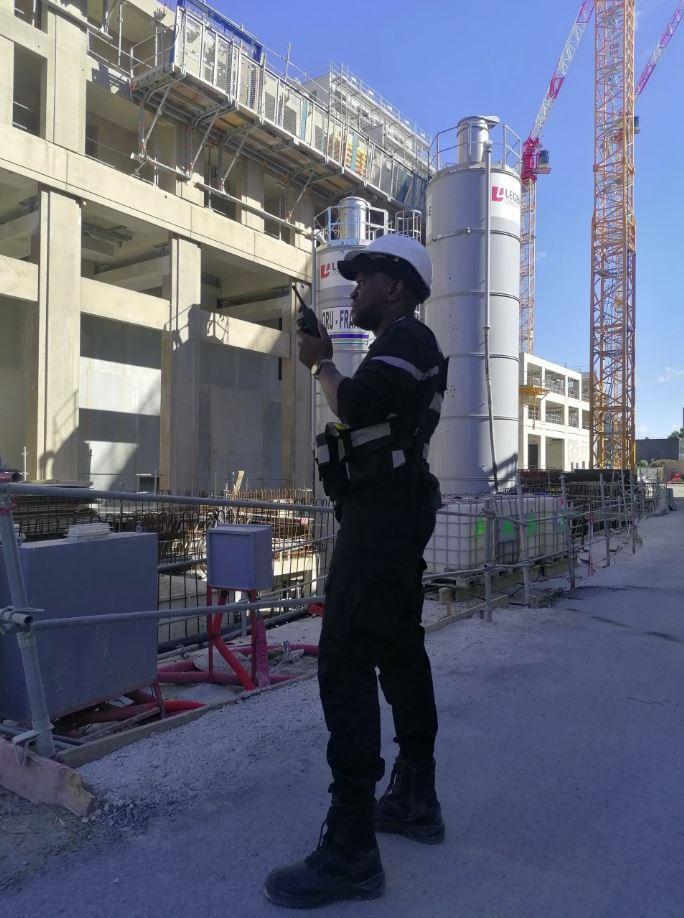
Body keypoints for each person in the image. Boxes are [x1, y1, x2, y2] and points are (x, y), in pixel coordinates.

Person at [264, 234, 447, 909]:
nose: (354, 288)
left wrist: (320, 365)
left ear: (394, 287)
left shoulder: (405, 338)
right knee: (398, 649)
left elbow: (359, 405)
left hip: (382, 521)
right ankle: (414, 798)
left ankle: (350, 851)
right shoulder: (403, 343)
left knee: (343, 659)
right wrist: (333, 361)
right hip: (393, 513)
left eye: (363, 277)